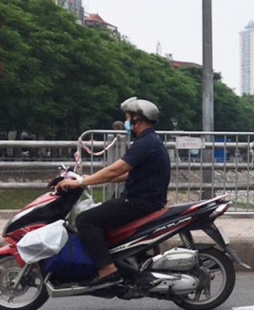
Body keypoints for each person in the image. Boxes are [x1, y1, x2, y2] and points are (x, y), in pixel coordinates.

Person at [57, 97, 171, 283]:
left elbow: (115, 170)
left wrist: (82, 183)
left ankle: (107, 269)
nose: (126, 123)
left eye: (128, 119)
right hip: (145, 200)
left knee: (85, 220)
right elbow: (127, 174)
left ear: (137, 120)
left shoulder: (145, 143)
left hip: (138, 203)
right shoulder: (150, 141)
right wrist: (87, 179)